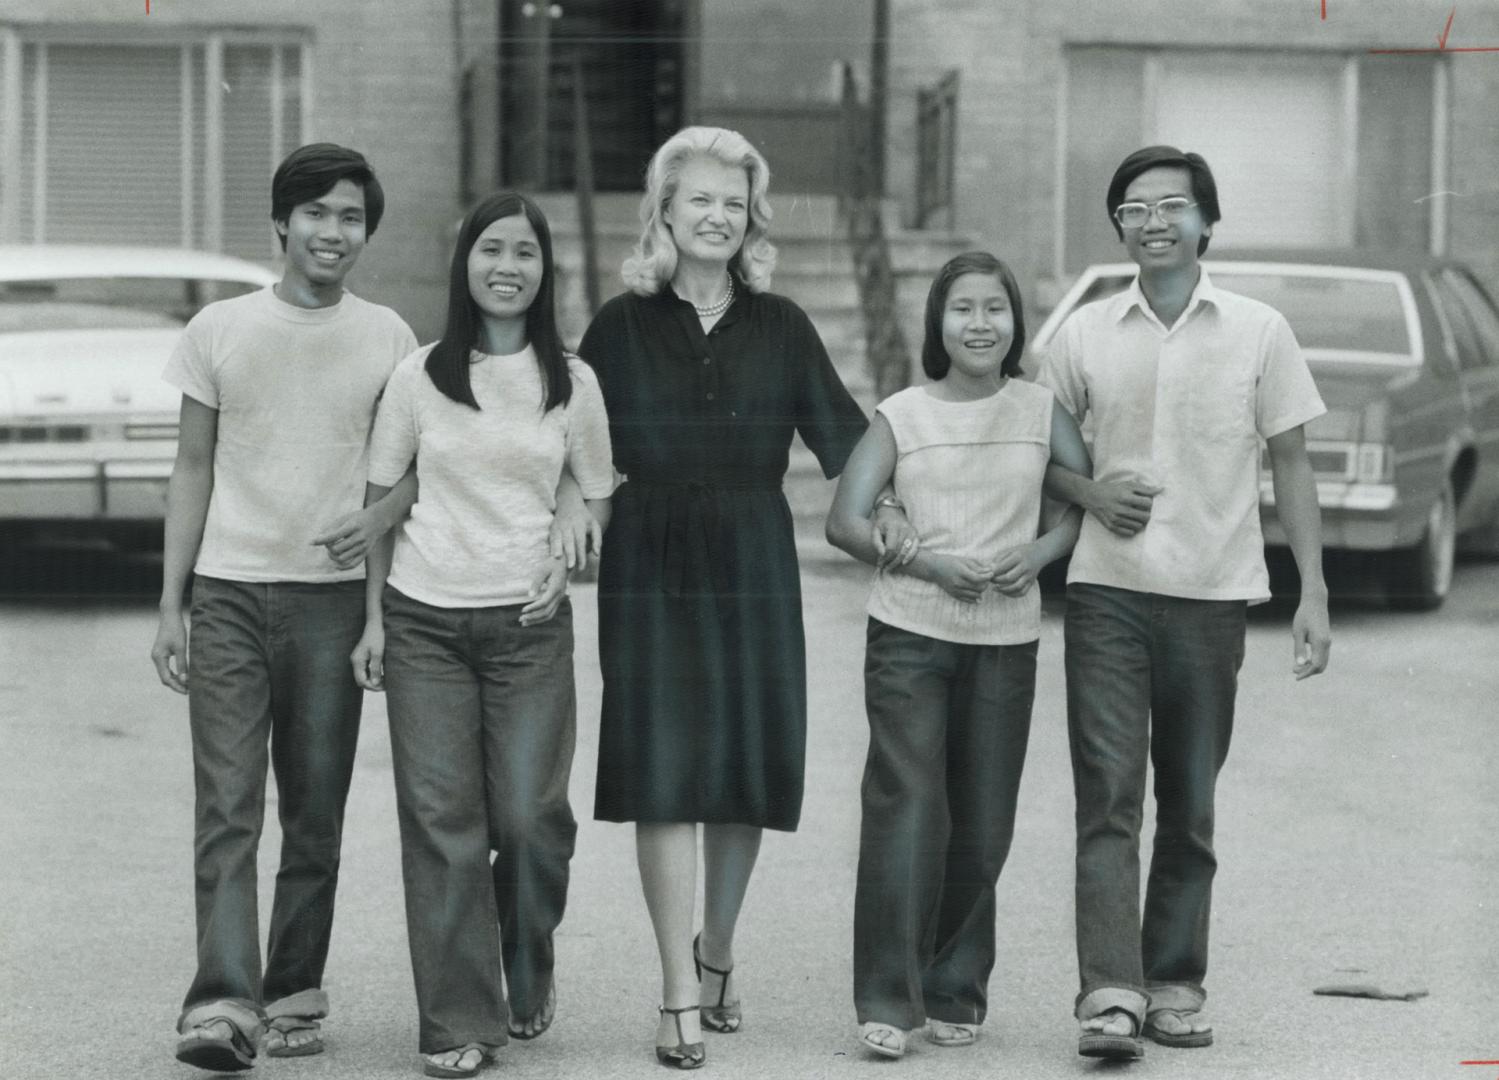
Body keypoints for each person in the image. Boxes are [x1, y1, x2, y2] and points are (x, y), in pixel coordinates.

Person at [575, 125, 911, 1069]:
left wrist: (894, 503)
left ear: (750, 216)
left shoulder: (783, 323)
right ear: (665, 213)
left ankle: (716, 947)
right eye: (700, 200)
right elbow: (572, 438)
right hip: (648, 555)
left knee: (742, 767)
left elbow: (845, 439)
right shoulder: (617, 323)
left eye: (734, 202)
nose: (717, 216)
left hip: (754, 554)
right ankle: (677, 988)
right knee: (661, 769)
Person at [1037, 145, 1332, 1060]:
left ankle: (1173, 981)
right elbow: (1035, 451)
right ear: (1116, 225)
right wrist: (1088, 496)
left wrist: (1312, 591)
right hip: (1106, 597)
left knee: (1190, 803)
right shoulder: (1081, 334)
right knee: (1108, 798)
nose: (1152, 221)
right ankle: (1110, 995)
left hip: (1210, 595)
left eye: (1171, 206)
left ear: (1208, 221)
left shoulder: (1257, 330)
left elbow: (1290, 463)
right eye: (1133, 208)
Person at [150, 143, 417, 1072]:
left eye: (350, 218)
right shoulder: (219, 329)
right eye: (316, 213)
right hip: (226, 593)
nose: (332, 232)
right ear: (281, 222)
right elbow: (190, 468)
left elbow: (408, 473)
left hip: (334, 606)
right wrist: (170, 602)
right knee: (227, 806)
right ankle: (222, 1003)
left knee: (314, 810)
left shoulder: (388, 337)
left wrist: (381, 614)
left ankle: (294, 986)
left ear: (364, 234)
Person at [351, 191, 614, 1079]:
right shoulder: (419, 375)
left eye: (525, 253)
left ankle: (528, 952)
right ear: (465, 264)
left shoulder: (573, 381)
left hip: (530, 625)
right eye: (490, 249)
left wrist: (573, 535)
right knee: (442, 824)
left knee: (534, 821)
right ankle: (460, 1020)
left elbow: (597, 486)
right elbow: (380, 506)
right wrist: (374, 620)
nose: (508, 266)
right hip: (426, 620)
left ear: (545, 272)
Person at [827, 251, 1089, 1059]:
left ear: (1015, 323)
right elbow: (842, 520)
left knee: (981, 822)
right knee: (906, 809)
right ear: (938, 324)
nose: (980, 324)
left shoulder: (1041, 409)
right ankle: (886, 996)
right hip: (908, 633)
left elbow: (1080, 504)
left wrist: (1041, 553)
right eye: (962, 310)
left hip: (1005, 640)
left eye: (995, 309)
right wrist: (921, 560)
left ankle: (954, 987)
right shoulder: (903, 414)